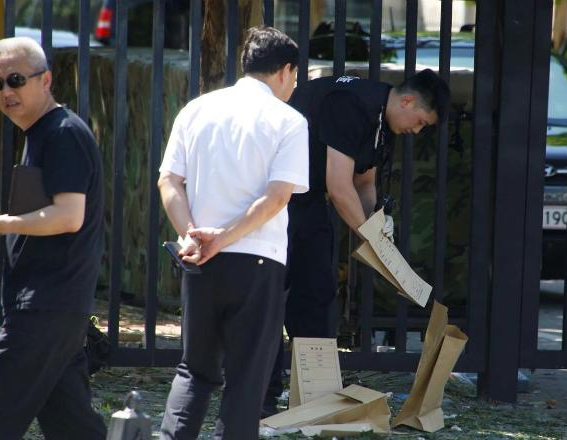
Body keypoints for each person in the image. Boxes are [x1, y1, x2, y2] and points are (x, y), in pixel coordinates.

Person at [263, 69, 450, 416]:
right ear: (408, 101)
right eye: (421, 122)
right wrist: (372, 239)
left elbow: (363, 183)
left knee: (318, 294)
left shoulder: (383, 120)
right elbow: (339, 186)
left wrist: (378, 225)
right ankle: (262, 399)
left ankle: (314, 398)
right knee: (270, 298)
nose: (417, 131)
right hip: (275, 200)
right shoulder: (351, 104)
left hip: (308, 200)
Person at [0, 37, 107, 439]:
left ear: (46, 80)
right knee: (72, 424)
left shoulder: (62, 134)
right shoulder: (42, 133)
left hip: (45, 305)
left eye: (15, 80)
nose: (5, 92)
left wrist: (0, 223)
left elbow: (69, 216)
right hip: (50, 304)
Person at [157, 26, 308, 439]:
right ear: (284, 70)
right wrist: (224, 237)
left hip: (198, 258)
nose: (294, 85)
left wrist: (192, 234)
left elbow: (168, 181)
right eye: (295, 76)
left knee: (194, 370)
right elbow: (277, 198)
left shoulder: (196, 109)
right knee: (246, 378)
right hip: (258, 259)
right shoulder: (289, 121)